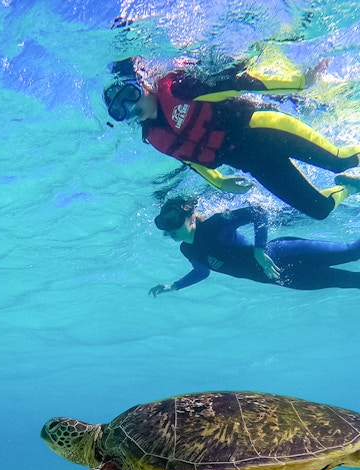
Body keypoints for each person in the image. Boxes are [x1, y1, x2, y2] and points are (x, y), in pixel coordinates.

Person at [104, 56, 360, 220]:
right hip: (255, 165)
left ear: (142, 83)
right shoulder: (153, 137)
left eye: (129, 94)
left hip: (266, 129)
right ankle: (350, 187)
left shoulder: (178, 88)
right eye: (119, 109)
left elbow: (235, 84)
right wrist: (219, 182)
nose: (129, 107)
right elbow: (192, 162)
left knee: (340, 161)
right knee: (319, 210)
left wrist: (300, 82)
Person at [148, 196, 360, 293]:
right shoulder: (187, 249)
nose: (170, 230)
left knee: (352, 251)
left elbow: (258, 212)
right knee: (352, 282)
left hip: (284, 254)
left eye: (174, 220)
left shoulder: (215, 223)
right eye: (166, 227)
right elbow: (202, 272)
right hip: (284, 278)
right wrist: (175, 286)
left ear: (191, 215)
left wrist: (259, 251)